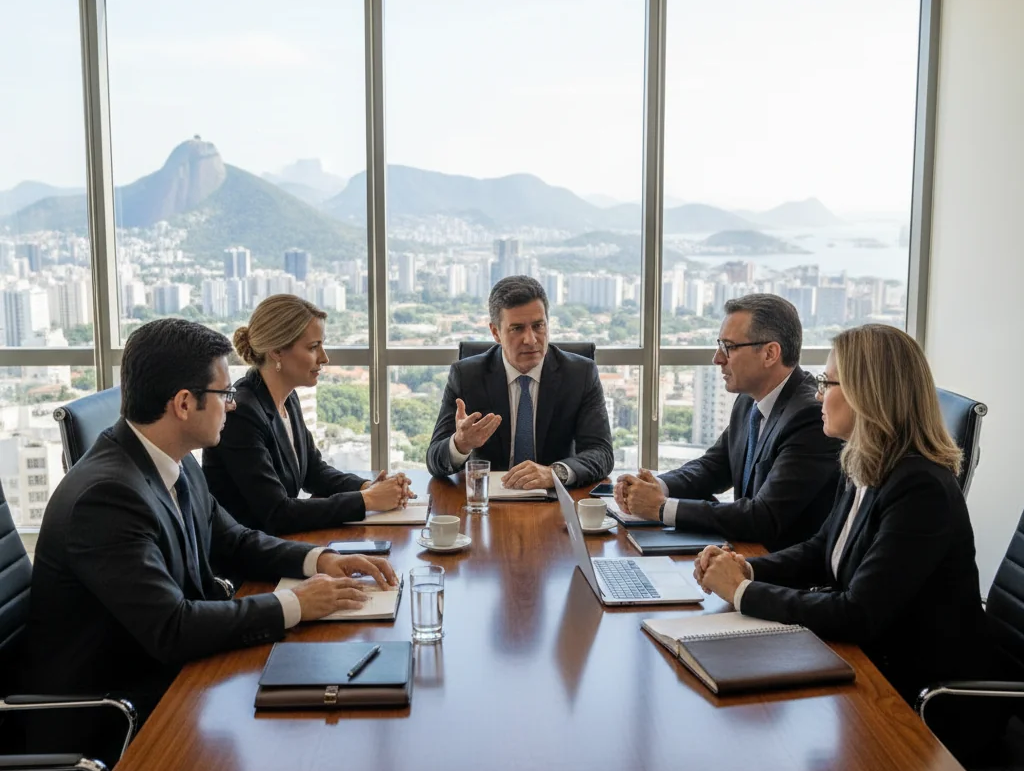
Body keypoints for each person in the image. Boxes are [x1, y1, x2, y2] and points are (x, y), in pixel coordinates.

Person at [26, 318, 398, 728]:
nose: (233, 404)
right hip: (116, 714)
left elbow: (234, 540)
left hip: (177, 680)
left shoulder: (175, 459)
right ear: (184, 404)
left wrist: (320, 559)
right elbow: (172, 628)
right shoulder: (105, 498)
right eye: (224, 394)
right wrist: (295, 603)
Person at [694, 324, 1000, 717]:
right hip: (870, 664)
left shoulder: (921, 488)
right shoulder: (866, 462)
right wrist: (747, 568)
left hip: (927, 699)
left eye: (828, 383)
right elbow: (822, 549)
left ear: (866, 394)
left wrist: (741, 593)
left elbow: (858, 614)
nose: (818, 394)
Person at [615, 294, 841, 550]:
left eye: (728, 347)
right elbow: (715, 467)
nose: (717, 358)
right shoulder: (748, 401)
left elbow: (764, 516)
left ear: (770, 353)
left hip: (780, 570)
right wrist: (658, 486)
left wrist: (661, 508)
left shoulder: (810, 417)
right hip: (744, 554)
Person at [203, 294, 413, 534]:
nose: (324, 358)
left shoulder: (287, 398)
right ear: (277, 352)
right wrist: (368, 500)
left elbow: (314, 472)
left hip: (281, 543)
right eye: (314, 347)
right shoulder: (242, 414)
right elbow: (277, 513)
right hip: (249, 560)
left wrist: (369, 486)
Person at [426, 275, 614, 489]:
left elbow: (602, 453)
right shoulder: (467, 375)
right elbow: (434, 460)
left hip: (554, 502)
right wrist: (460, 444)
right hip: (489, 502)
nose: (531, 339)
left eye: (538, 326)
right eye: (517, 329)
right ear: (496, 332)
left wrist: (554, 473)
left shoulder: (579, 374)